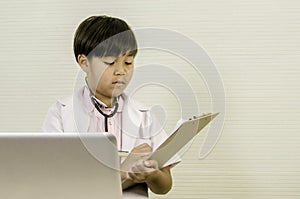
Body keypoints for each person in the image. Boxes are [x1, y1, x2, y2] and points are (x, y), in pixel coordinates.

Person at [42, 15, 179, 198]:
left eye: (128, 62)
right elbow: (53, 179)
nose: (121, 71)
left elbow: (164, 186)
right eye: (110, 62)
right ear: (84, 62)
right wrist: (123, 172)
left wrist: (152, 174)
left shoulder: (144, 116)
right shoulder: (60, 113)